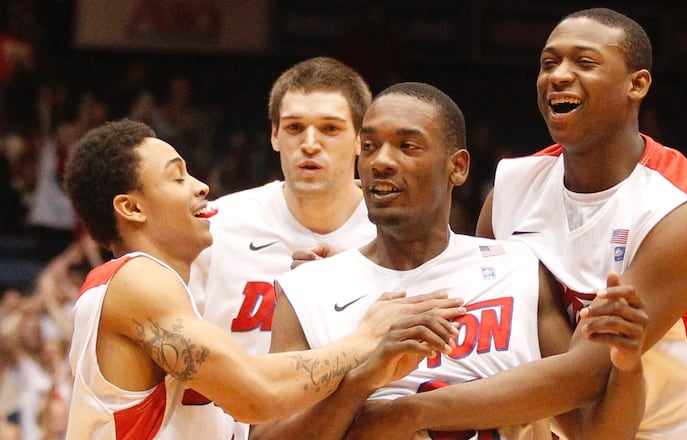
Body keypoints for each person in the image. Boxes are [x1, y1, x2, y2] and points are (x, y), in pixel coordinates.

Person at [260, 82, 649, 440]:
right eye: (369, 146)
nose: (381, 161)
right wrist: (362, 379)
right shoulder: (308, 288)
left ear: (458, 167)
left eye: (407, 146)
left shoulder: (520, 269)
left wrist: (628, 363)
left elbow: (595, 432)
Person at [474, 8, 687, 439]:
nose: (558, 75)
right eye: (548, 62)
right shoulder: (510, 190)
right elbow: (495, 334)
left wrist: (416, 412)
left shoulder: (685, 209)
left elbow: (583, 378)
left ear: (637, 84)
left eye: (584, 62)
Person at [62, 119, 465, 439]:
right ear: (131, 208)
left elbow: (265, 384)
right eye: (178, 177)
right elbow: (257, 393)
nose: (202, 186)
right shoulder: (135, 278)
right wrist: (365, 339)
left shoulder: (169, 297)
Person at [188, 56, 376, 356]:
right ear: (275, 135)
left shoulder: (399, 236)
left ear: (361, 140)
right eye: (295, 127)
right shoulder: (215, 227)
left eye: (330, 128)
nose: (310, 143)